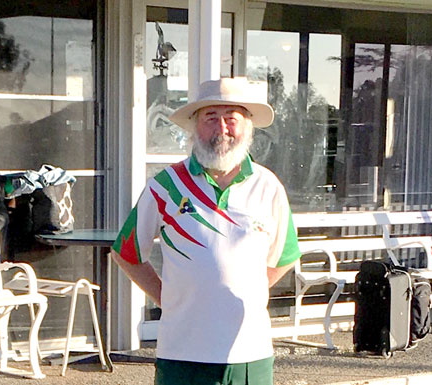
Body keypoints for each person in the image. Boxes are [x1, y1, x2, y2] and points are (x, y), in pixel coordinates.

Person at [110, 77, 300, 385]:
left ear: (247, 127)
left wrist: (249, 292)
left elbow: (285, 256)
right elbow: (126, 252)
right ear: (194, 127)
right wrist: (167, 297)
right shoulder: (166, 185)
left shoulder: (268, 187)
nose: (222, 129)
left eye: (231, 119)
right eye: (211, 118)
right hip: (182, 351)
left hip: (250, 352)